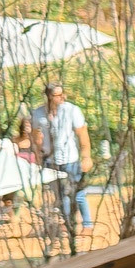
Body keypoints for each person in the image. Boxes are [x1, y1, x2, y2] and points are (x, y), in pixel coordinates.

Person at [32, 79, 94, 240]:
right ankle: (67, 224)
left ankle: (86, 224)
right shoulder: (38, 114)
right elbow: (34, 136)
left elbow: (82, 135)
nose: (61, 97)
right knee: (60, 196)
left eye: (62, 94)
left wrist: (86, 156)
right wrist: (38, 154)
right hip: (50, 161)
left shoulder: (72, 110)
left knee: (77, 194)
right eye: (56, 95)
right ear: (48, 96)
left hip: (70, 158)